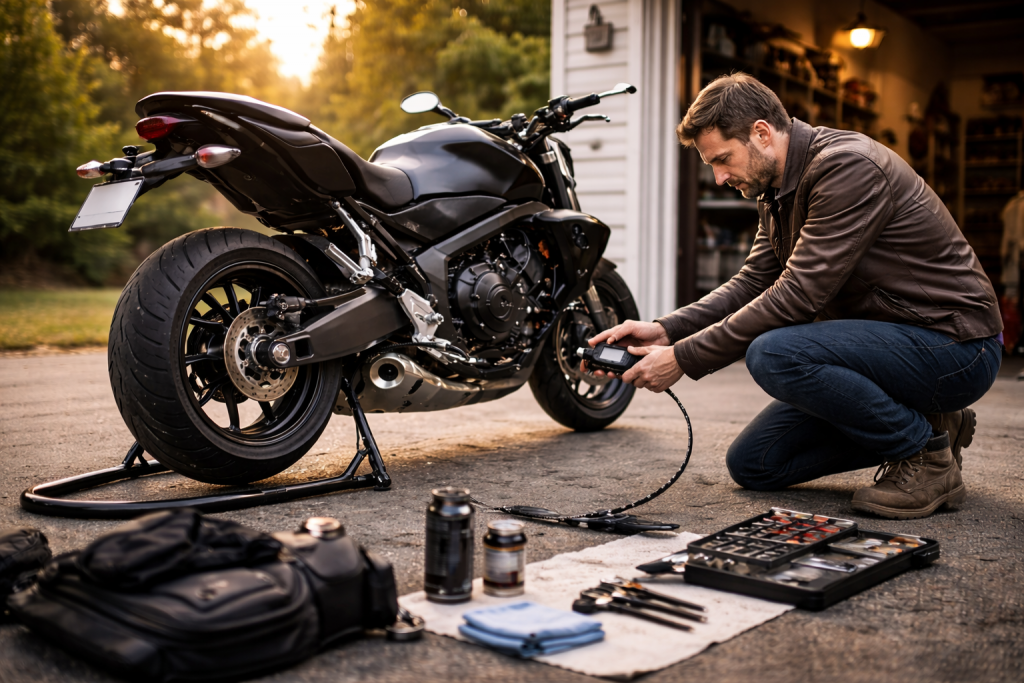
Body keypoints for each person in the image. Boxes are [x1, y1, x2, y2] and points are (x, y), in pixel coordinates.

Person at [587, 73, 1003, 520]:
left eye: (723, 159)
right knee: (756, 463)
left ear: (762, 133)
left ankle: (925, 456)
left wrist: (683, 359)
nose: (720, 176)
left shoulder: (848, 167)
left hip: (956, 347)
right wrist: (665, 328)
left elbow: (797, 295)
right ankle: (936, 423)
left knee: (773, 353)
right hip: (894, 347)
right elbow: (752, 281)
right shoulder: (776, 189)